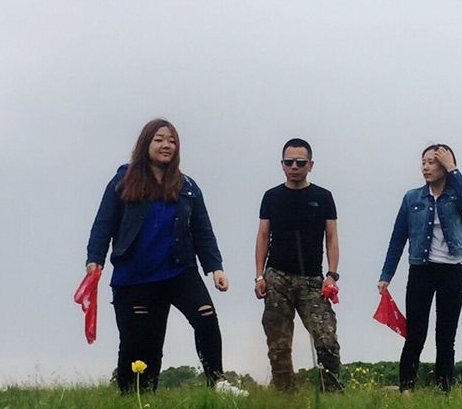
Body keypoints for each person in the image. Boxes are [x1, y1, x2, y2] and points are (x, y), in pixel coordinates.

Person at [85, 119, 239, 395]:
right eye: (159, 139)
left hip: (179, 269)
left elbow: (202, 229)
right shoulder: (123, 181)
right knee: (142, 342)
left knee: (205, 316)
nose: (166, 145)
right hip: (136, 274)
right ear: (145, 144)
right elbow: (104, 222)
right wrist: (94, 258)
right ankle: (133, 395)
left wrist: (215, 267)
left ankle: (217, 381)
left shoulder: (187, 186)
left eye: (171, 140)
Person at [379, 144, 462, 392]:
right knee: (415, 333)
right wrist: (386, 275)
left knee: (446, 335)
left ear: (444, 165)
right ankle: (407, 389)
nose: (426, 167)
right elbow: (398, 237)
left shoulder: (455, 196)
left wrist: (454, 168)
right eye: (423, 162)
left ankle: (443, 391)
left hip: (452, 271)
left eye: (433, 162)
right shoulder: (412, 198)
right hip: (421, 271)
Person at [254, 138, 344, 392]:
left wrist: (332, 275)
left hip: (313, 280)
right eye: (289, 162)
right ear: (282, 164)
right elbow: (262, 236)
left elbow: (332, 237)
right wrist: (259, 276)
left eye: (300, 162)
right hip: (277, 277)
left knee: (326, 340)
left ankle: (332, 393)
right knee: (278, 344)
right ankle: (285, 396)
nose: (294, 166)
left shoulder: (323, 197)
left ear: (310, 165)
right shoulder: (271, 197)